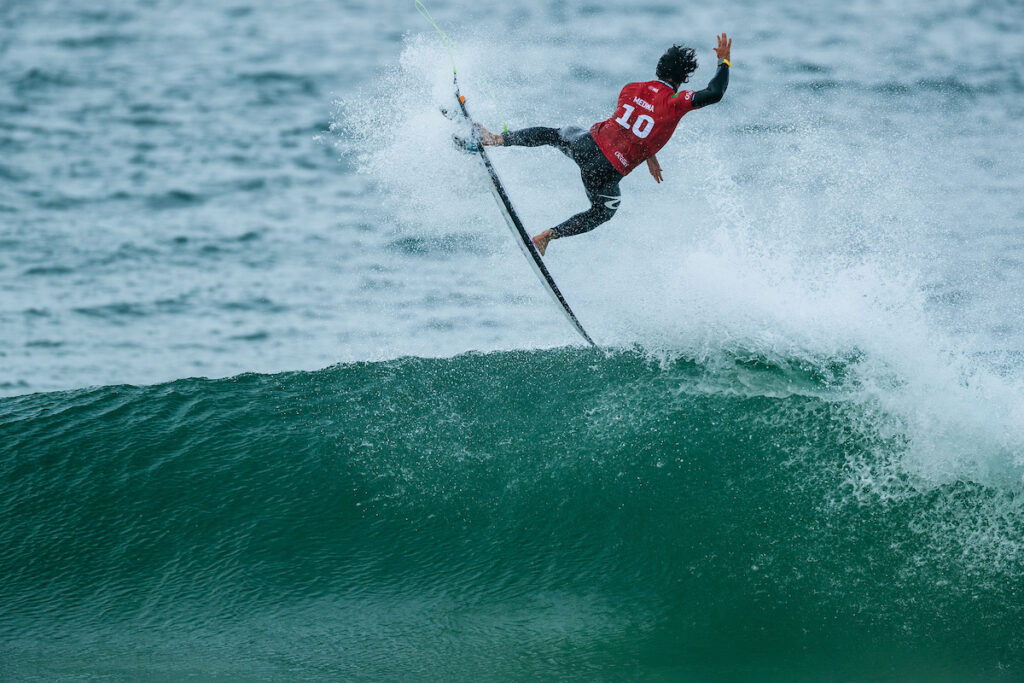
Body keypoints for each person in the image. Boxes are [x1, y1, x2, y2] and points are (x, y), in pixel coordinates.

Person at [473, 33, 731, 256]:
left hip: (586, 144)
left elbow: (632, 124)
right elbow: (714, 93)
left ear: (658, 69)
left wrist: (650, 155)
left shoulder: (631, 88)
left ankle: (496, 139)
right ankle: (547, 237)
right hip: (605, 173)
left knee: (557, 134)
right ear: (683, 78)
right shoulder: (676, 102)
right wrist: (724, 60)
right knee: (603, 211)